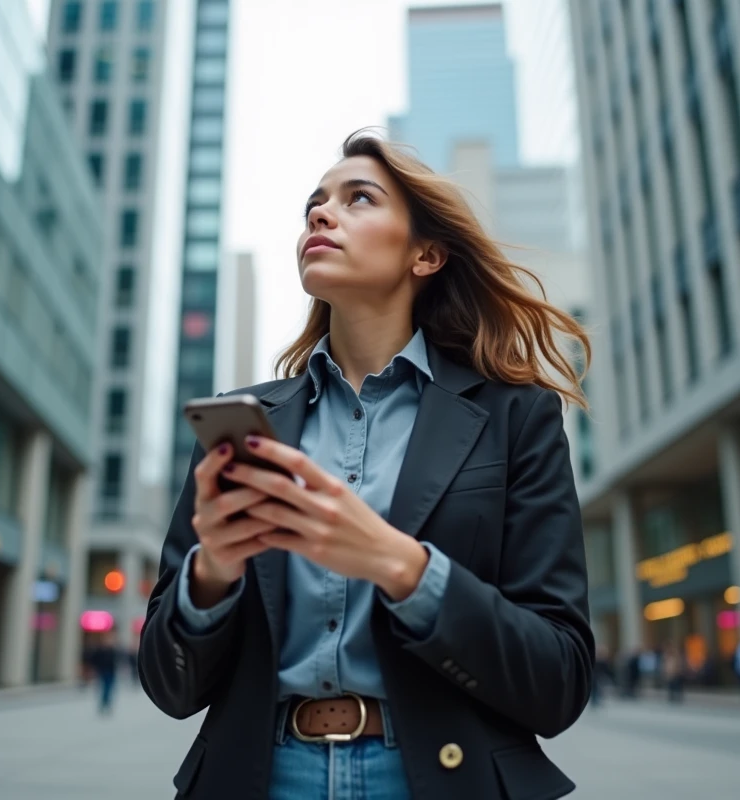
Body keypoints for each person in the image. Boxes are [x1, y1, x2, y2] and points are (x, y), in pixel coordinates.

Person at [138, 131, 594, 799]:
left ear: (427, 254)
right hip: (259, 777)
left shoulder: (513, 417)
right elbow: (169, 685)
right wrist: (212, 575)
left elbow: (560, 681)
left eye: (358, 199)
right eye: (314, 204)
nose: (321, 214)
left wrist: (404, 568)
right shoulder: (240, 427)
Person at [90, 632, 118, 715]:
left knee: (109, 688)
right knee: (105, 688)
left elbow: (115, 661)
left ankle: (106, 703)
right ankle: (104, 703)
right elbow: (94, 660)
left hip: (111, 672)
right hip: (103, 671)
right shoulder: (100, 650)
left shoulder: (112, 650)